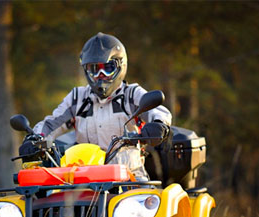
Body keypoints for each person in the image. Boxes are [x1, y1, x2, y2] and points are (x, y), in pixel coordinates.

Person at [19, 32, 172, 180]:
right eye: (94, 69)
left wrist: (159, 125)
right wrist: (35, 138)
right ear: (86, 70)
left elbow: (158, 112)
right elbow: (52, 123)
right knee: (52, 202)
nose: (100, 75)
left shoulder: (131, 94)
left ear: (121, 66)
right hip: (83, 180)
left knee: (144, 204)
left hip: (129, 178)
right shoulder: (77, 98)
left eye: (108, 68)